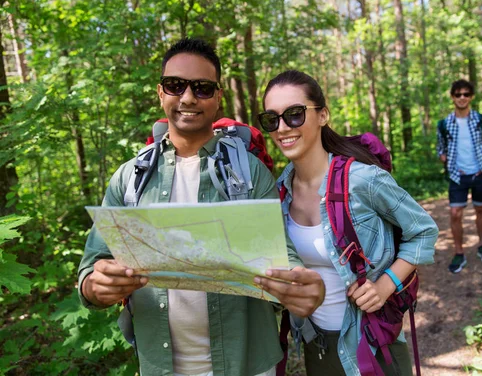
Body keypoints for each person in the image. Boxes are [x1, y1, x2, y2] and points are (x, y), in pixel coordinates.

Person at [77, 38, 325, 376]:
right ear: (160, 92)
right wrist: (96, 287)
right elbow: (91, 270)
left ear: (219, 96)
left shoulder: (249, 174)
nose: (189, 98)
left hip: (247, 363)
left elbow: (281, 255)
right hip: (160, 364)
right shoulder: (129, 180)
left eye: (203, 88)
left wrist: (299, 286)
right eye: (175, 85)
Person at [258, 70, 438, 376]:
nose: (283, 127)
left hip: (373, 345)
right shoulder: (279, 192)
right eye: (271, 119)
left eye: (295, 114)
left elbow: (424, 231)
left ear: (323, 115)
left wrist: (385, 285)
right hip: (318, 345)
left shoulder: (361, 180)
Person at [436, 79, 482, 274]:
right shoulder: (444, 124)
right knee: (455, 214)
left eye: (466, 94)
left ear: (471, 97)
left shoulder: (481, 120)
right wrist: (446, 160)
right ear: (452, 97)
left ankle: (481, 244)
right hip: (457, 176)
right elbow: (440, 148)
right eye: (458, 94)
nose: (462, 98)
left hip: (480, 173)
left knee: (480, 209)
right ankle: (459, 252)